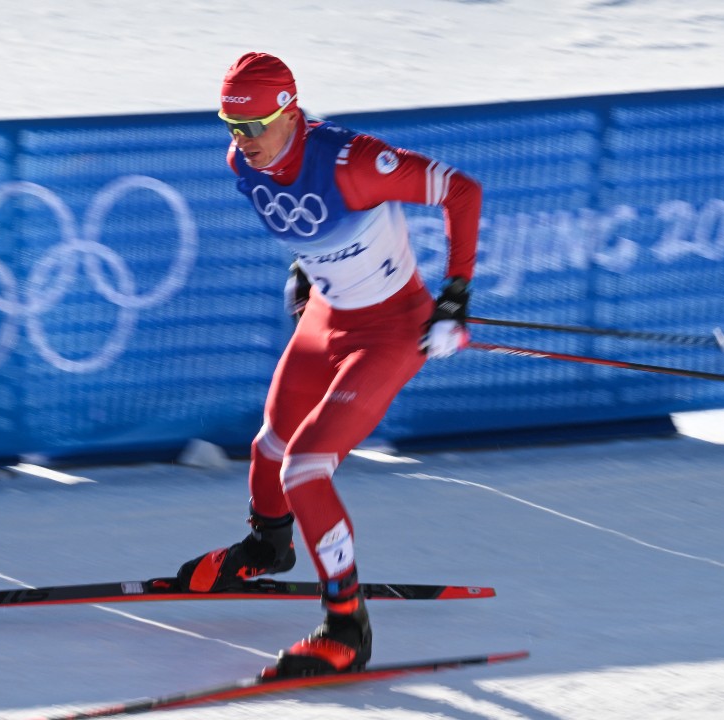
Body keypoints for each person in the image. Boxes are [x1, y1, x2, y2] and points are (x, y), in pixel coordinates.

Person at [177, 51, 481, 678]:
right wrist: (303, 270)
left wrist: (454, 298)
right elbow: (308, 228)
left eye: (256, 124)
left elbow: (461, 190)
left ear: (290, 111)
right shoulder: (243, 162)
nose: (244, 140)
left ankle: (347, 626)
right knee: (269, 448)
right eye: (232, 126)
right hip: (327, 318)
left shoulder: (356, 163)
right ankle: (269, 544)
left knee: (306, 469)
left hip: (390, 331)